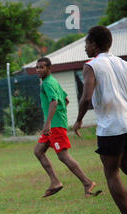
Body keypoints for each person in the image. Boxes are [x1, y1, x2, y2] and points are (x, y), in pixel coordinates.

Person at [74, 26, 127, 214]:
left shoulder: (91, 65)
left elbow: (86, 97)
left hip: (111, 127)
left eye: (87, 43)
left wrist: (79, 119)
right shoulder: (124, 63)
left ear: (94, 45)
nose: (85, 48)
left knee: (112, 172)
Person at [34, 57, 101, 198]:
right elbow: (66, 99)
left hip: (54, 125)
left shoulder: (47, 84)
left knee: (63, 156)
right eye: (37, 67)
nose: (39, 70)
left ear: (49, 68)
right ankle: (55, 182)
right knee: (39, 151)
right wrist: (61, 113)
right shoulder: (53, 82)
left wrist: (49, 123)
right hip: (55, 123)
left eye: (42, 67)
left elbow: (54, 101)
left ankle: (87, 182)